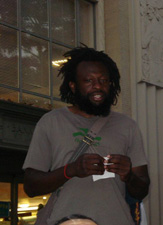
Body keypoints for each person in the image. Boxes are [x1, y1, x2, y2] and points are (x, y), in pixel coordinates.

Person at [23, 46, 150, 225]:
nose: (97, 86)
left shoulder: (128, 126)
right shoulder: (51, 122)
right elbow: (30, 186)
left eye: (103, 80)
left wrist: (128, 175)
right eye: (88, 80)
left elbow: (142, 189)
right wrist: (71, 170)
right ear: (73, 86)